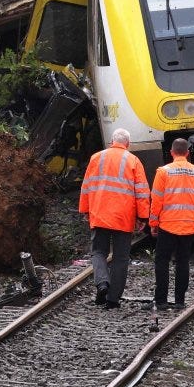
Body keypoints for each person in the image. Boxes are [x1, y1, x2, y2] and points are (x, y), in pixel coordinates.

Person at [79, 128, 149, 309]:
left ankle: (102, 283)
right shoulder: (133, 160)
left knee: (98, 252)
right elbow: (141, 191)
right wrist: (143, 216)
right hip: (123, 217)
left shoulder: (96, 158)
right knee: (120, 258)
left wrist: (85, 210)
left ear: (111, 141)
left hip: (100, 213)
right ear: (128, 144)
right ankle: (112, 299)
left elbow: (86, 186)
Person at [149, 138, 194, 310]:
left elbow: (157, 199)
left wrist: (153, 222)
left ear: (172, 153)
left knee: (162, 261)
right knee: (183, 262)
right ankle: (180, 301)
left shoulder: (163, 172)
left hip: (168, 225)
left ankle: (160, 300)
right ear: (188, 153)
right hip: (190, 225)